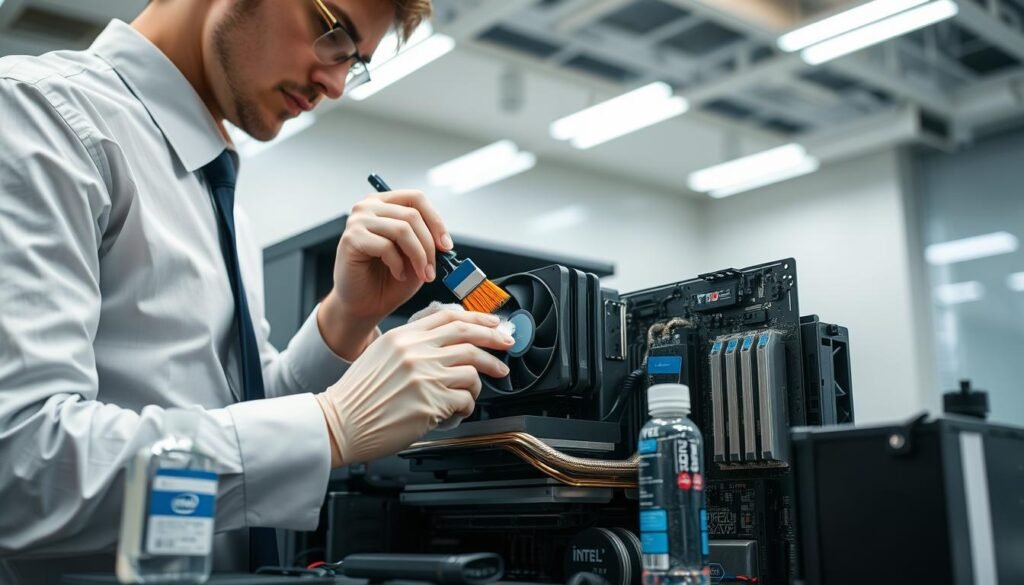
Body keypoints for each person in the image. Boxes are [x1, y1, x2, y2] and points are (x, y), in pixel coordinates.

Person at [0, 0, 513, 581]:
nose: (336, 82)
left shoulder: (208, 178)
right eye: (333, 33)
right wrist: (327, 426)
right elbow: (22, 465)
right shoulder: (41, 118)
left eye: (356, 62)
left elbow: (228, 414)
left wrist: (344, 318)